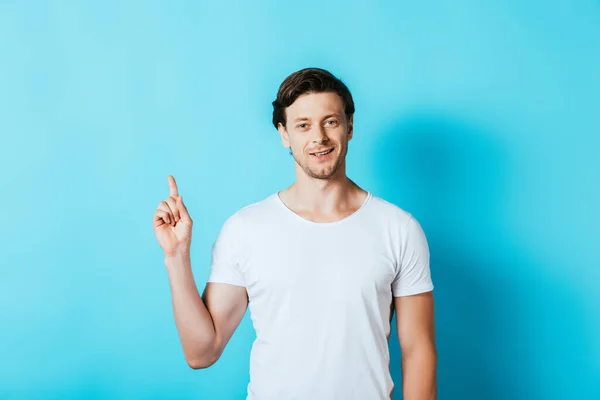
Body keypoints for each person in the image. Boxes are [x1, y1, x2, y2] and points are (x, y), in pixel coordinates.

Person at [152, 67, 437, 400]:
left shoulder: (399, 229)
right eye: (303, 125)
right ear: (284, 133)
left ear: (350, 126)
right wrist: (176, 257)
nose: (319, 137)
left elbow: (418, 351)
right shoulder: (246, 229)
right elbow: (201, 352)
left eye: (330, 121)